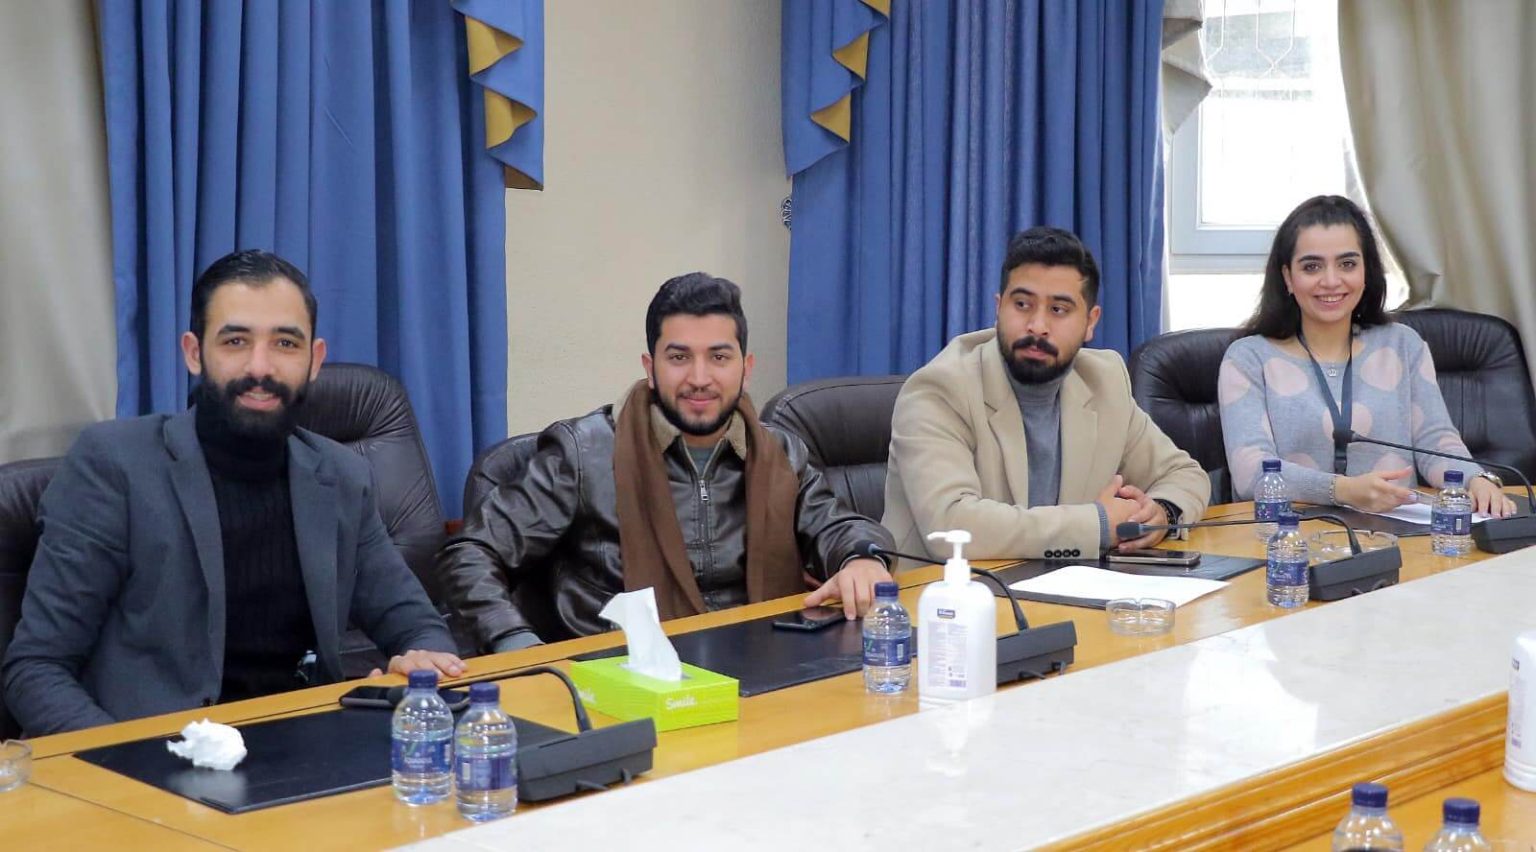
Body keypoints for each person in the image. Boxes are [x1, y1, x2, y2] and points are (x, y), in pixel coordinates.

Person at [3, 250, 462, 736]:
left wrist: (421, 665)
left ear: (314, 360)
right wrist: (122, 759)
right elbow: (36, 669)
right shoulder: (114, 465)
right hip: (153, 753)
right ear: (194, 353)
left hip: (307, 746)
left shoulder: (341, 475)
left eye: (285, 343)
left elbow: (417, 624)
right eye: (235, 341)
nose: (260, 367)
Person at [441, 273, 895, 653]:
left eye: (719, 357)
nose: (699, 378)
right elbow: (471, 553)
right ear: (650, 367)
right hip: (621, 680)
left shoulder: (781, 452)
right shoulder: (582, 454)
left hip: (762, 665)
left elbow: (835, 526)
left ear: (746, 368)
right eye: (679, 357)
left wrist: (862, 557)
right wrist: (514, 640)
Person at [883, 226, 1210, 562]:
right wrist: (1097, 524)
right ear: (998, 308)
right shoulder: (939, 390)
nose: (1037, 326)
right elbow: (951, 526)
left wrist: (1161, 512)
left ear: (1090, 322)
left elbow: (1184, 474)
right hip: (948, 590)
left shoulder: (1104, 381)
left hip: (1062, 586)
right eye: (1022, 304)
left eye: (1058, 310)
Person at [1218, 195, 1517, 516]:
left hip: (1398, 530)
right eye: (1312, 266)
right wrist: (1343, 491)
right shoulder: (1248, 358)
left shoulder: (1403, 344)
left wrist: (1475, 479)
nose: (1331, 281)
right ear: (1288, 277)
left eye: (1347, 264)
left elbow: (1435, 440)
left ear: (1366, 272)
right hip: (1289, 534)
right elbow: (1251, 473)